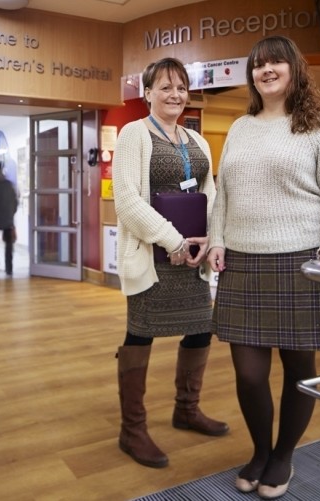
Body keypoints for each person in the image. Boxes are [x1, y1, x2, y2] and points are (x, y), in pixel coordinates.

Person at [207, 35, 320, 499]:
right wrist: (218, 239)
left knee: (298, 368)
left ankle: (283, 456)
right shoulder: (242, 126)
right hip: (242, 260)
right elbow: (224, 193)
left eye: (275, 62)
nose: (266, 70)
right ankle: (260, 450)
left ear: (294, 69)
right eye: (258, 65)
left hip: (300, 261)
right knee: (249, 373)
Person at [112, 57, 229, 469]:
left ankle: (186, 409)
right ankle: (133, 430)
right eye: (165, 87)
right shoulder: (133, 134)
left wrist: (207, 239)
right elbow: (126, 201)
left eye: (181, 87)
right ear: (147, 93)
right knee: (140, 335)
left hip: (192, 258)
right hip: (153, 256)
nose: (175, 94)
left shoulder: (196, 141)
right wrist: (174, 240)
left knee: (200, 330)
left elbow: (210, 190)